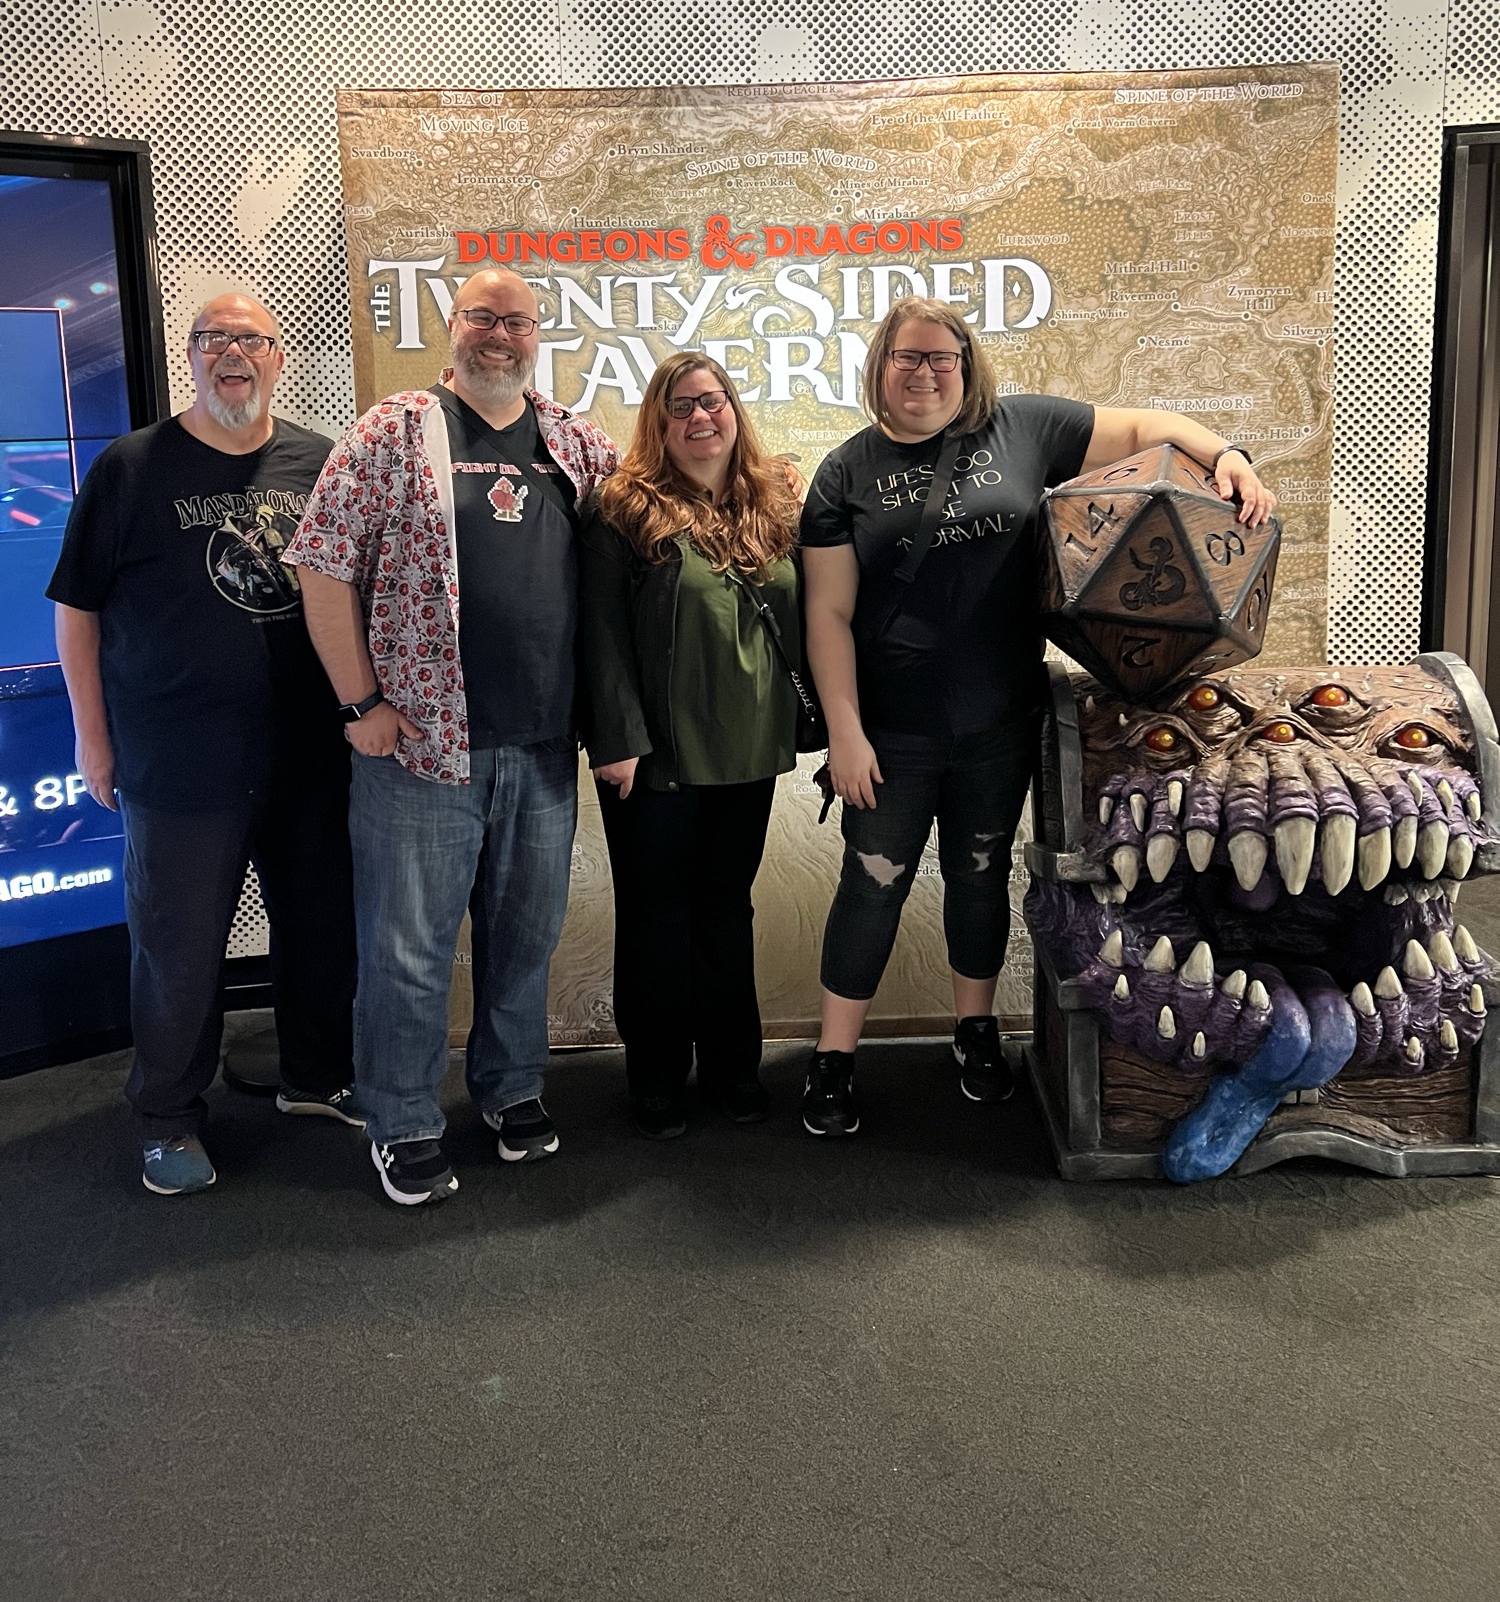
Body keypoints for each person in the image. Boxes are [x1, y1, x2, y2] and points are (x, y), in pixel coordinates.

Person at [798, 295, 1278, 1137]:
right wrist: (845, 731)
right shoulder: (845, 472)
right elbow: (827, 614)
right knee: (871, 888)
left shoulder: (1021, 428)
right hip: (891, 733)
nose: (924, 373)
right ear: (881, 367)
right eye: (907, 357)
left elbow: (1149, 430)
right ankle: (834, 1058)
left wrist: (1229, 457)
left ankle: (975, 1033)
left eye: (941, 357)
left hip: (1000, 719)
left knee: (979, 878)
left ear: (965, 364)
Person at [284, 269, 618, 1207]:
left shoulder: (575, 442)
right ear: (454, 325)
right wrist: (360, 704)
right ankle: (401, 1119)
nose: (499, 335)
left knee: (525, 937)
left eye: (517, 321)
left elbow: (639, 542)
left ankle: (511, 1089)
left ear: (539, 335)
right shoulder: (389, 433)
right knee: (407, 950)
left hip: (543, 745)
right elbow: (321, 566)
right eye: (482, 317)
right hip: (421, 747)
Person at [48, 292, 360, 1197]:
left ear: (278, 358)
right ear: (189, 356)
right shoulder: (131, 467)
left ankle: (314, 1077)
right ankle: (168, 1117)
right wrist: (92, 740)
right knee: (178, 951)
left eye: (251, 340)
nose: (233, 354)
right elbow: (76, 611)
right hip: (178, 761)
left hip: (309, 753)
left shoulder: (318, 460)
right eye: (213, 339)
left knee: (320, 929)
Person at [581, 353, 806, 1139]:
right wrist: (616, 738)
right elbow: (601, 632)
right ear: (659, 421)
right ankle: (655, 1077)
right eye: (681, 406)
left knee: (725, 910)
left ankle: (732, 1067)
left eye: (712, 402)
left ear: (733, 410)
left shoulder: (773, 504)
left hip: (749, 747)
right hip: (655, 754)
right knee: (656, 915)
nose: (700, 417)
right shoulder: (623, 509)